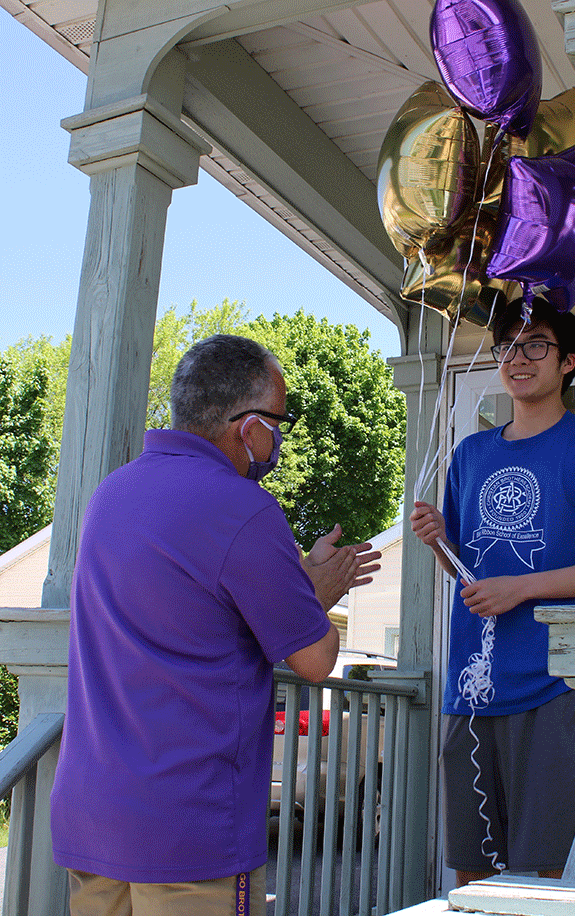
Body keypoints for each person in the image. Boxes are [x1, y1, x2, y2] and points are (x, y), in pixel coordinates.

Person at [50, 334, 380, 915]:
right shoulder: (245, 508)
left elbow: (192, 606)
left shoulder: (111, 495)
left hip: (92, 819)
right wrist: (316, 592)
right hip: (190, 830)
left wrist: (295, 580)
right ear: (249, 427)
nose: (279, 439)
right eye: (280, 423)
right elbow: (315, 659)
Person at [411, 297, 575, 886]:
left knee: (547, 866)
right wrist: (438, 541)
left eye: (536, 345)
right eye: (508, 347)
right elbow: (466, 573)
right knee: (472, 866)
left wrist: (522, 589)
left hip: (553, 682)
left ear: (567, 361)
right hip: (472, 684)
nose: (518, 359)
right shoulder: (472, 453)